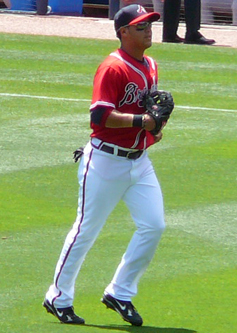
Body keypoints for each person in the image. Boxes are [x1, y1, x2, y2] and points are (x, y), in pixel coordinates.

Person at [43, 4, 168, 327]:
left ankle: (120, 292)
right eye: (140, 27)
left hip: (140, 163)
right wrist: (144, 120)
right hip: (104, 162)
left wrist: (155, 126)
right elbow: (99, 116)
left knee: (153, 225)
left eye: (149, 25)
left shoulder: (151, 65)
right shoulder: (112, 68)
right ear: (123, 32)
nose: (148, 30)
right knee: (85, 231)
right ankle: (57, 297)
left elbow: (148, 113)